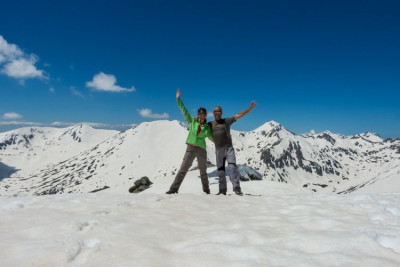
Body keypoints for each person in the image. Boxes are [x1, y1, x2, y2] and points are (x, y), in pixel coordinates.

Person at [166, 88, 213, 194]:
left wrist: (221, 142)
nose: (202, 115)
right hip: (190, 148)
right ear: (198, 114)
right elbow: (184, 110)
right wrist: (178, 99)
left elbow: (211, 138)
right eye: (200, 113)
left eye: (203, 114)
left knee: (203, 172)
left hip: (201, 150)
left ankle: (206, 191)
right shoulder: (192, 121)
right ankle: (173, 189)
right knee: (183, 170)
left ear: (206, 115)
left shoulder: (207, 127)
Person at [208, 101, 256, 195]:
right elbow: (201, 125)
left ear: (221, 113)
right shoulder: (210, 124)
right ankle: (222, 191)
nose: (217, 113)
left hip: (229, 148)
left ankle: (237, 189)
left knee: (232, 168)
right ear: (213, 113)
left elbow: (238, 115)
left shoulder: (227, 121)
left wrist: (249, 109)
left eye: (219, 111)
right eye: (215, 112)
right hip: (218, 150)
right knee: (221, 171)